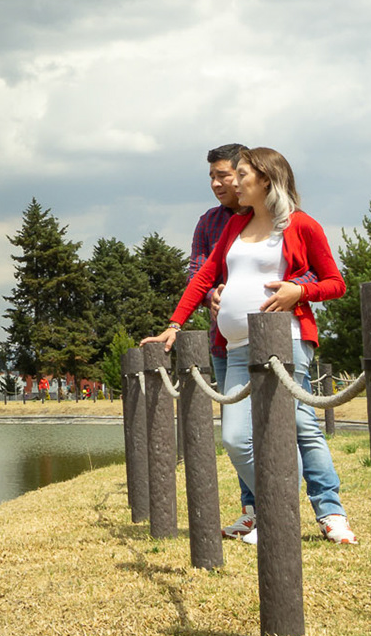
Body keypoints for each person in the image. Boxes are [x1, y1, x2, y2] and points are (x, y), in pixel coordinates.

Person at [148, 146, 355, 545]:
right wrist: (174, 324)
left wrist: (300, 290)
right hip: (238, 347)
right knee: (235, 437)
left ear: (265, 179)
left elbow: (336, 282)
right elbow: (204, 274)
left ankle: (317, 515)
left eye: (240, 175)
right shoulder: (232, 226)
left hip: (285, 341)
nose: (230, 183)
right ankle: (276, 510)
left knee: (299, 427)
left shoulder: (301, 225)